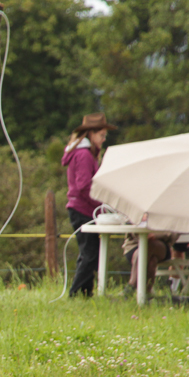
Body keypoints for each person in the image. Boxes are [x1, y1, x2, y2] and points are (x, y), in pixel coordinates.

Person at [63, 112, 117, 297]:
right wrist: (100, 205)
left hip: (81, 208)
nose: (103, 139)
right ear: (91, 134)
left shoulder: (83, 153)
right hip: (82, 209)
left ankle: (85, 292)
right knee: (90, 253)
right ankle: (76, 292)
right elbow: (84, 186)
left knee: (90, 252)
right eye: (101, 135)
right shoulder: (84, 155)